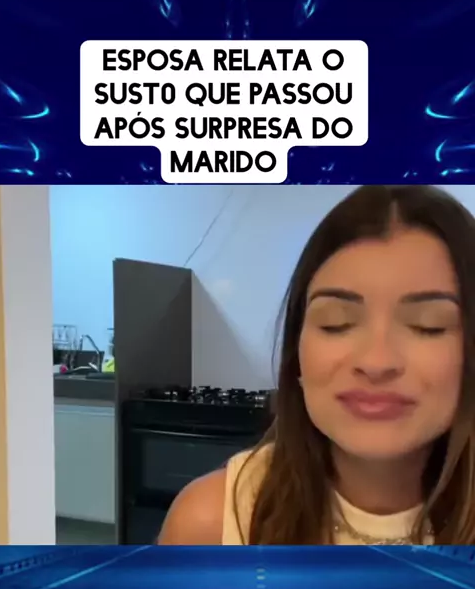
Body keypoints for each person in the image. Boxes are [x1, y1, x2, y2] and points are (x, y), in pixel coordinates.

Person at [159, 184, 475, 546]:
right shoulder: (212, 524)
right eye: (336, 323)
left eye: (428, 325)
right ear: (297, 356)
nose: (376, 361)